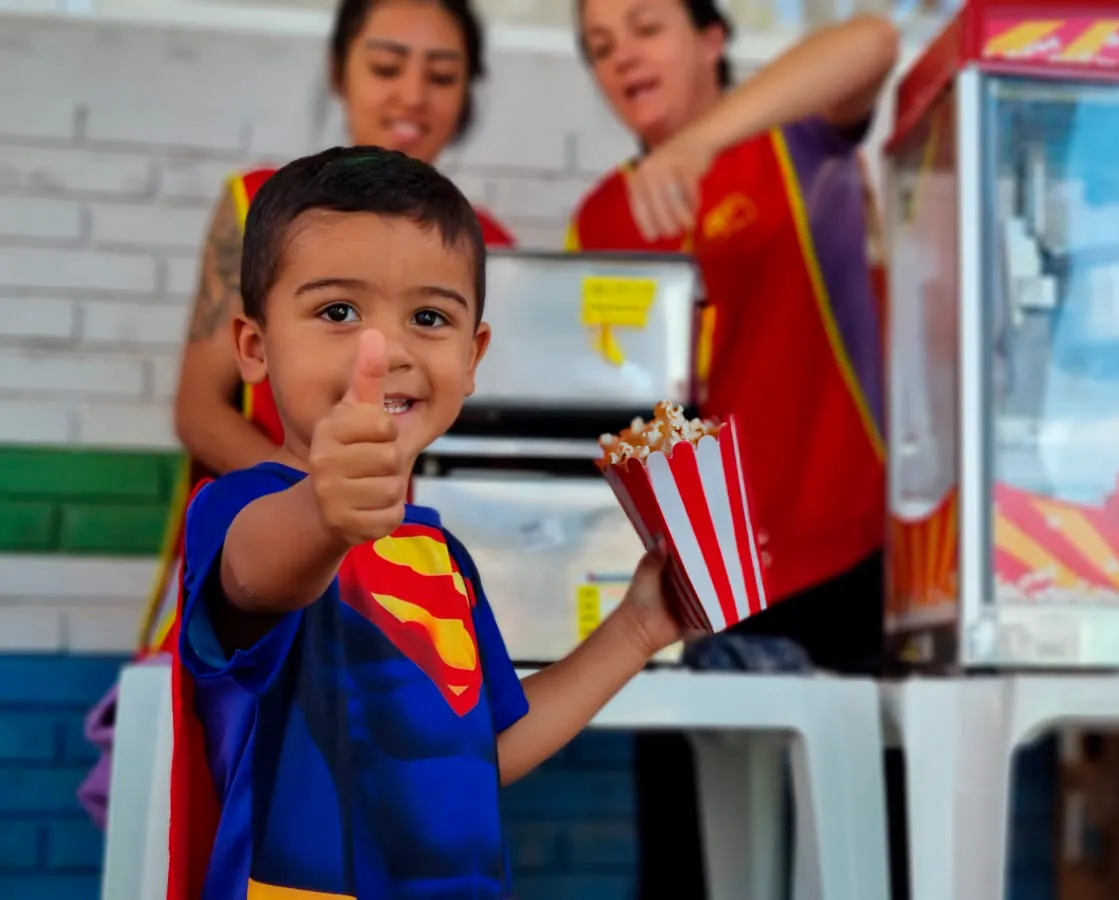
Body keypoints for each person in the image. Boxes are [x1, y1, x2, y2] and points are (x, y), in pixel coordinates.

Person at [168, 146, 688, 899]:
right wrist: (325, 506)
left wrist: (638, 628)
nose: (390, 350)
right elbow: (257, 572)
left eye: (429, 316)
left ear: (473, 357)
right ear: (254, 346)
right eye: (337, 311)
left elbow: (488, 749)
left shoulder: (441, 553)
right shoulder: (240, 509)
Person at [565, 1, 900, 895]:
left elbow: (873, 40)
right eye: (600, 47)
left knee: (862, 851)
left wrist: (698, 144)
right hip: (685, 589)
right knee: (692, 863)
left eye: (644, 26)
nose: (622, 57)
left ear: (712, 36)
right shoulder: (599, 215)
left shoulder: (794, 139)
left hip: (836, 553)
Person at [138, 0, 515, 659]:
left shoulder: (484, 244)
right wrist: (325, 505)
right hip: (256, 566)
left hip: (388, 593)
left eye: (442, 76)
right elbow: (200, 412)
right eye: (387, 66)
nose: (412, 95)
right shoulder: (256, 206)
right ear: (340, 72)